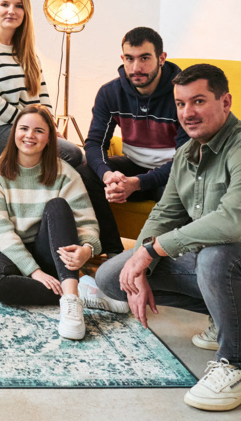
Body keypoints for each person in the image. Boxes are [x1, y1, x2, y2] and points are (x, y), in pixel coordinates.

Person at [95, 64, 241, 411]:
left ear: (225, 101)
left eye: (199, 101)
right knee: (113, 277)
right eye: (181, 104)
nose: (188, 113)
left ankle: (238, 367)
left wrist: (153, 250)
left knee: (220, 255)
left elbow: (233, 222)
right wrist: (141, 258)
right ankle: (229, 313)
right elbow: (165, 213)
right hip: (228, 267)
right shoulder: (187, 154)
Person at [0, 105, 127, 340]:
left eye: (38, 131)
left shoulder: (65, 173)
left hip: (52, 249)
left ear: (49, 138)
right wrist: (34, 272)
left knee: (57, 205)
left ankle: (70, 305)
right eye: (24, 128)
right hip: (15, 249)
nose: (29, 135)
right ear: (14, 131)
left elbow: (87, 221)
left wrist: (87, 250)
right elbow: (0, 230)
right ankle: (77, 291)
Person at [76, 27, 189, 255]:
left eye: (145, 58)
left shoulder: (182, 93)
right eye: (130, 58)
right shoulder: (110, 93)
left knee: (180, 188)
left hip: (172, 173)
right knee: (84, 173)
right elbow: (95, 142)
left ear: (162, 58)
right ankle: (114, 255)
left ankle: (158, 262)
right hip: (133, 166)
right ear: (123, 59)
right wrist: (108, 176)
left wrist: (137, 183)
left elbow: (186, 160)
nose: (136, 68)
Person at [0, 0, 83, 167]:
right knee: (71, 155)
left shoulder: (28, 53)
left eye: (19, 6)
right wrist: (31, 125)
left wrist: (51, 127)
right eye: (5, 4)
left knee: (81, 156)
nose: (11, 10)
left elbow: (43, 97)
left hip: (29, 128)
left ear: (25, 13)